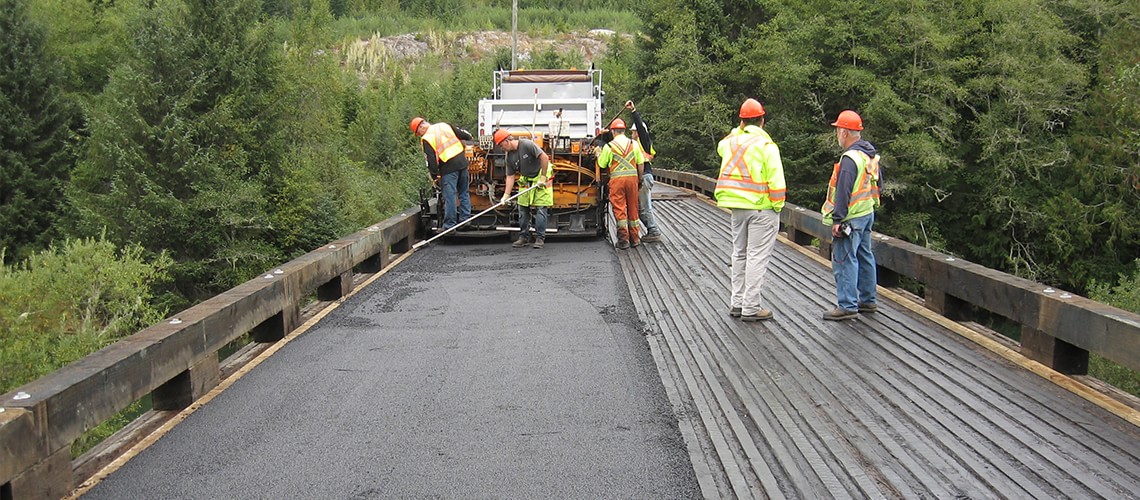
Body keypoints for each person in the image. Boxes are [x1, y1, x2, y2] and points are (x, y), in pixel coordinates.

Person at [715, 98, 786, 322]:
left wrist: (740, 128)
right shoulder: (767, 146)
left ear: (742, 122)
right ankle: (751, 306)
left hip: (737, 208)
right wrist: (777, 207)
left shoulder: (731, 142)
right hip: (761, 208)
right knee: (756, 256)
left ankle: (737, 302)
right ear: (762, 121)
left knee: (739, 254)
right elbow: (777, 181)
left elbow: (722, 145)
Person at [821, 110, 881, 321]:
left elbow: (843, 191)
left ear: (845, 132)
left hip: (852, 217)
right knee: (865, 256)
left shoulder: (849, 159)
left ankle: (847, 304)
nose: (837, 134)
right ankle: (868, 300)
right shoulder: (868, 154)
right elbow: (877, 184)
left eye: (838, 130)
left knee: (844, 259)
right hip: (866, 212)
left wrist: (838, 219)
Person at [410, 117, 473, 230]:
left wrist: (434, 177)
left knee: (450, 196)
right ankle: (466, 220)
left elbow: (431, 160)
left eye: (418, 133)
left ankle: (450, 225)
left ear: (421, 127)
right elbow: (466, 135)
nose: (419, 135)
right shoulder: (444, 125)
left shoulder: (427, 138)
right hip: (462, 163)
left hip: (448, 168)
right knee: (464, 193)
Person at [494, 129, 553, 249]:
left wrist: (543, 177)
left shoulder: (526, 144)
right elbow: (510, 176)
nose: (501, 148)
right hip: (526, 178)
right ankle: (524, 237)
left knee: (541, 208)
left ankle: (540, 238)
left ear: (507, 141)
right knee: (522, 208)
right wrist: (506, 195)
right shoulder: (509, 157)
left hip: (540, 175)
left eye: (501, 145)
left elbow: (545, 158)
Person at [596, 118, 645, 249]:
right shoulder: (634, 144)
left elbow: (602, 164)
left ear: (613, 132)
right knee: (633, 208)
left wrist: (598, 154)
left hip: (617, 181)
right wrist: (640, 179)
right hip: (632, 180)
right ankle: (635, 239)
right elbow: (640, 164)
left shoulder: (609, 146)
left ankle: (623, 240)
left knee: (620, 208)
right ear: (624, 130)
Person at [625, 100, 664, 243]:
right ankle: (651, 230)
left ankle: (653, 230)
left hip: (644, 177)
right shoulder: (634, 145)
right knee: (640, 207)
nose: (632, 134)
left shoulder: (644, 141)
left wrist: (634, 111)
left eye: (633, 132)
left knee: (644, 206)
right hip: (642, 177)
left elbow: (641, 127)